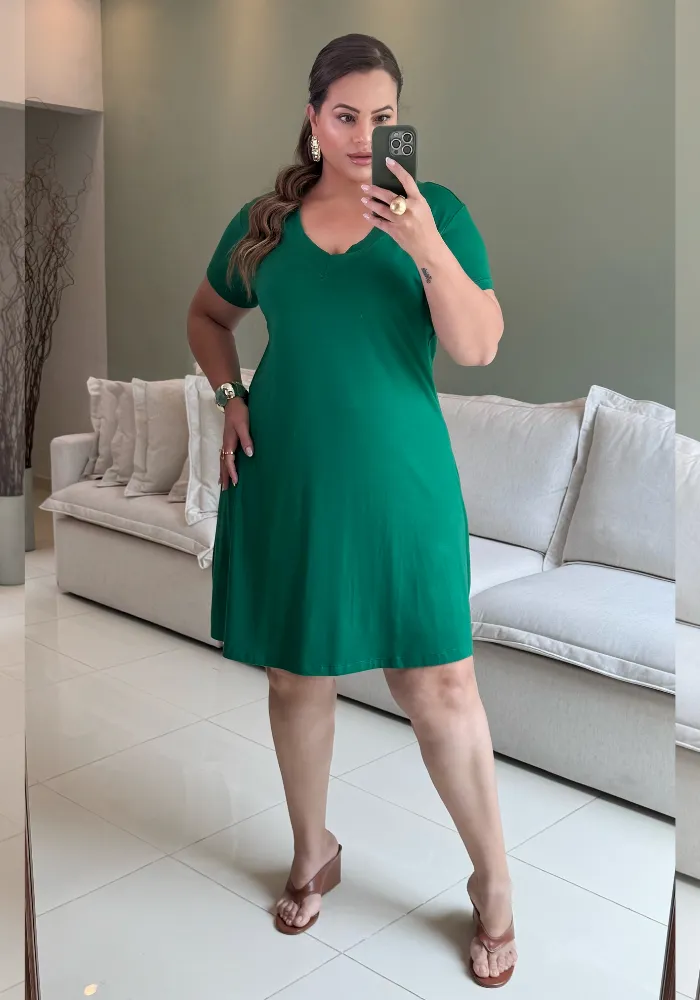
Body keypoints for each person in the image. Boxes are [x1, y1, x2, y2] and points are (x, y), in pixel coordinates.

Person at [187, 32, 516, 989]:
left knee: (440, 686)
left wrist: (423, 244)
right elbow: (207, 316)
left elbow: (479, 345)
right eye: (345, 116)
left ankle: (493, 880)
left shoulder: (437, 212)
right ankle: (313, 851)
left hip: (402, 482)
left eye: (383, 117)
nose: (365, 135)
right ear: (312, 118)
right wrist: (228, 396)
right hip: (290, 474)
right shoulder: (265, 224)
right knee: (298, 678)